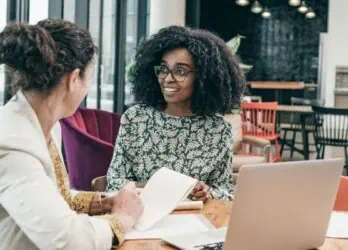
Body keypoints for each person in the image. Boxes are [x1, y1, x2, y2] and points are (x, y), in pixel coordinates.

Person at [0, 19, 143, 250]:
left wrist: (106, 202)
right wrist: (123, 219)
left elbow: (54, 196)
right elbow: (69, 241)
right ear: (73, 79)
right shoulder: (11, 144)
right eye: (89, 77)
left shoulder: (43, 120)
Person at [106, 26, 246, 201]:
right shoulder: (136, 119)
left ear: (203, 77)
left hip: (194, 220)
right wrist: (154, 188)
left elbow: (225, 190)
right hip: (143, 217)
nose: (167, 78)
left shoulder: (218, 129)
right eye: (163, 69)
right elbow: (114, 182)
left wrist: (208, 192)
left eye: (180, 71)